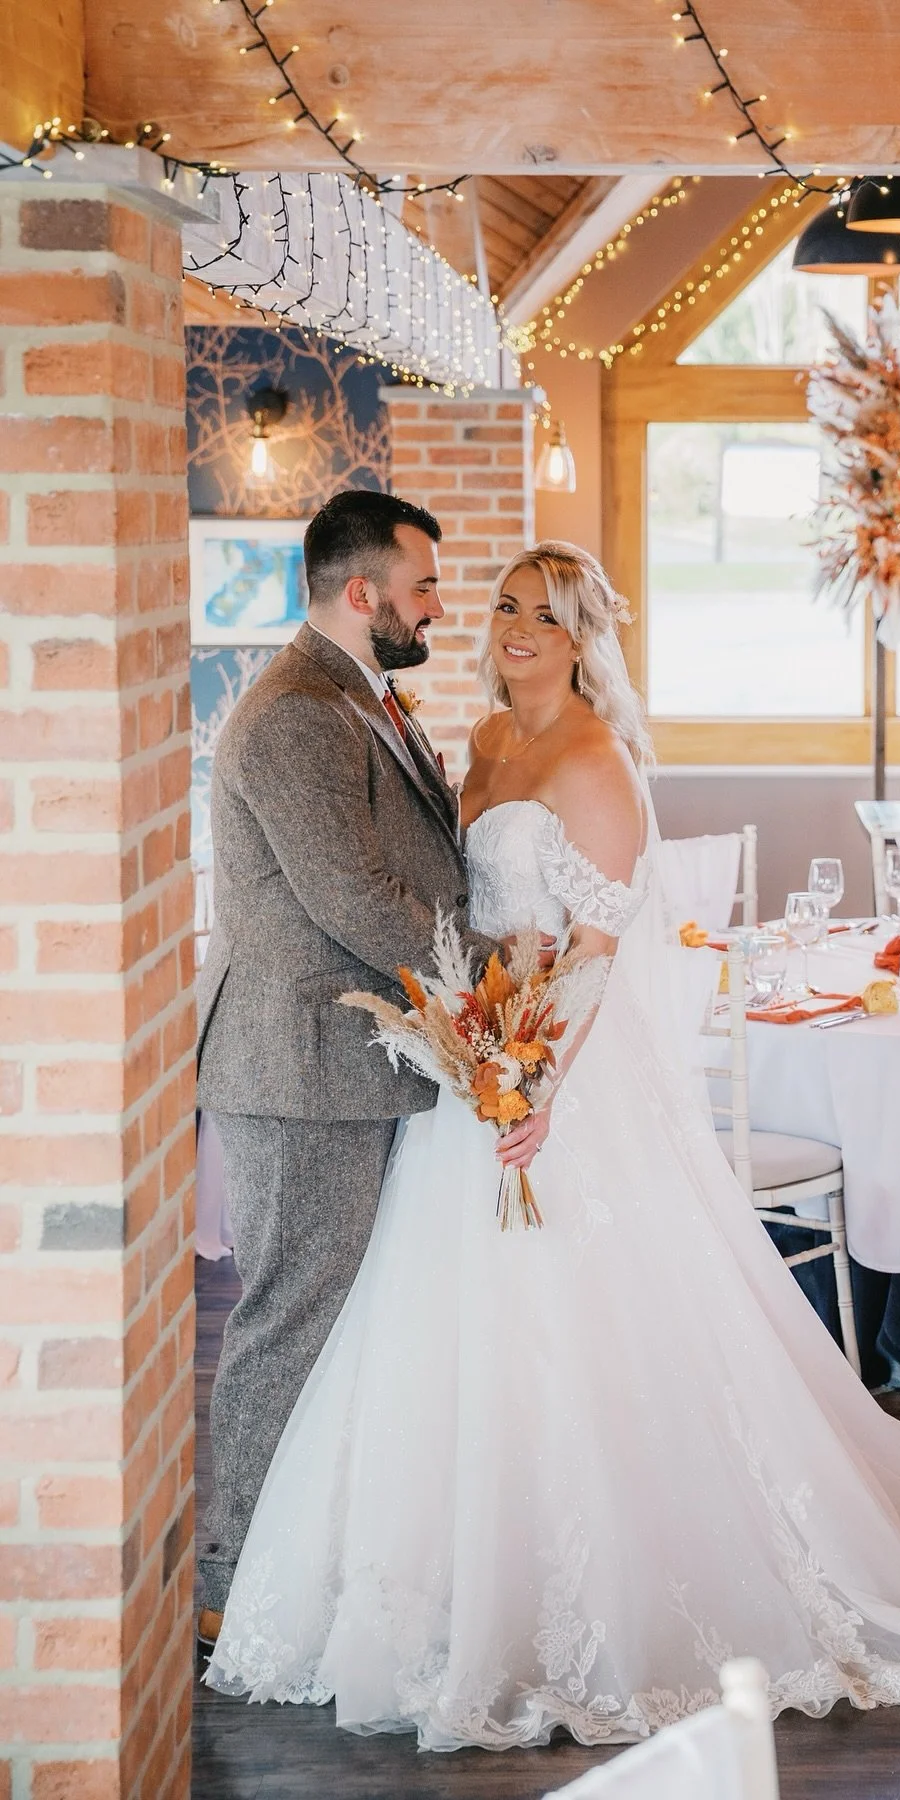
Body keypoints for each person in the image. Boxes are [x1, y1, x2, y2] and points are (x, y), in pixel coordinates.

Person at [205, 541, 900, 1749]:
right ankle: (431, 1568)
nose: (517, 628)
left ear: (586, 637)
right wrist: (478, 1054)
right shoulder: (474, 743)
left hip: (549, 1084)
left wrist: (537, 1088)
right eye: (507, 607)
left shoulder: (596, 761)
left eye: (547, 614)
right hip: (473, 1073)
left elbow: (596, 950)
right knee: (429, 1323)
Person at [193, 490, 499, 1649]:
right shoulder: (296, 716)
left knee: (339, 1314)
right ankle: (234, 1585)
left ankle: (309, 1557)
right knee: (290, 1315)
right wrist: (486, 977)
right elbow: (353, 896)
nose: (437, 606)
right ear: (363, 593)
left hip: (354, 1054)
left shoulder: (357, 696)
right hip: (304, 1062)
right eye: (422, 587)